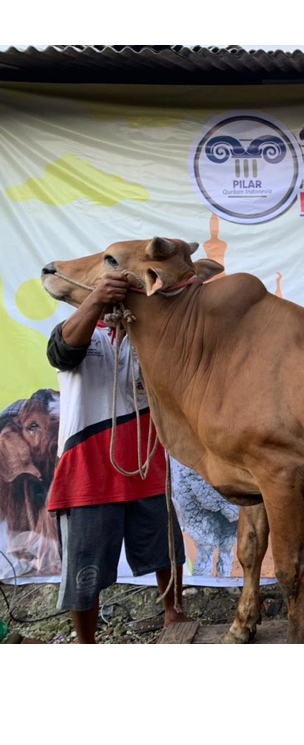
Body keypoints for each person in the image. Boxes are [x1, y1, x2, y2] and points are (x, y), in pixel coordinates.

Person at [46, 271, 190, 643]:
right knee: (84, 571)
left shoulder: (149, 335)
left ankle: (174, 613)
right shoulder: (80, 328)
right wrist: (95, 299)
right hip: (87, 471)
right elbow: (60, 353)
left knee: (166, 550)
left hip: (146, 462)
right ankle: (86, 642)